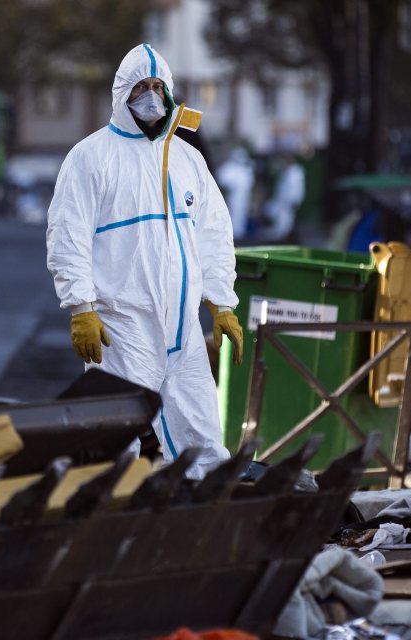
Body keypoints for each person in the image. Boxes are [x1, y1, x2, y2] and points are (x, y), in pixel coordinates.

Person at [46, 44, 243, 479]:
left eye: (158, 86)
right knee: (115, 438)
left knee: (203, 437)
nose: (151, 95)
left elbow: (213, 234)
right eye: (141, 86)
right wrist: (81, 307)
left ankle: (205, 523)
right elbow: (67, 236)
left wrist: (222, 302)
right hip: (122, 325)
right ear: (122, 94)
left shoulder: (188, 161)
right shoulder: (90, 158)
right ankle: (107, 523)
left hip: (183, 328)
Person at [259, 152, 304, 242]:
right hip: (280, 203)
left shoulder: (296, 173)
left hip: (289, 204)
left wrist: (295, 201)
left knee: (286, 224)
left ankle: (284, 239)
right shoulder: (285, 172)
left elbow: (298, 189)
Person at [216, 146, 255, 241]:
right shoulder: (229, 168)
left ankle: (239, 237)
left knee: (240, 217)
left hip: (243, 199)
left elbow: (249, 184)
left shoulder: (246, 169)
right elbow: (222, 179)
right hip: (232, 198)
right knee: (231, 216)